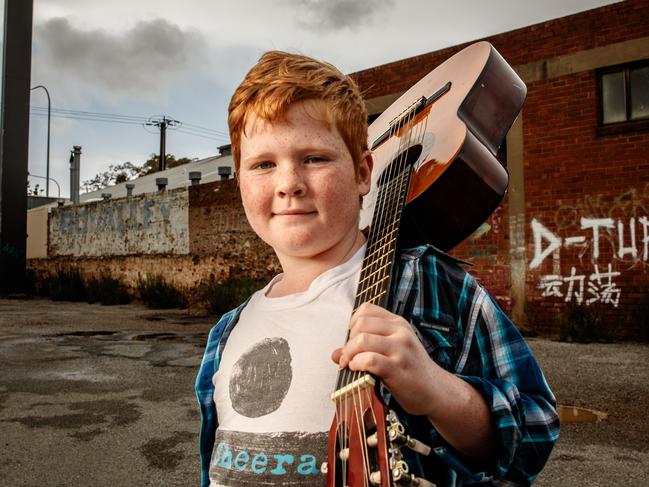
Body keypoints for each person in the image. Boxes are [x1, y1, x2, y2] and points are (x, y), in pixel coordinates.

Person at [195, 50, 559, 487]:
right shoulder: (227, 333)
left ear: (364, 173)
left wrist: (436, 390)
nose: (288, 183)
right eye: (263, 164)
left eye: (314, 158)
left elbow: (535, 433)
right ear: (240, 182)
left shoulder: (430, 285)